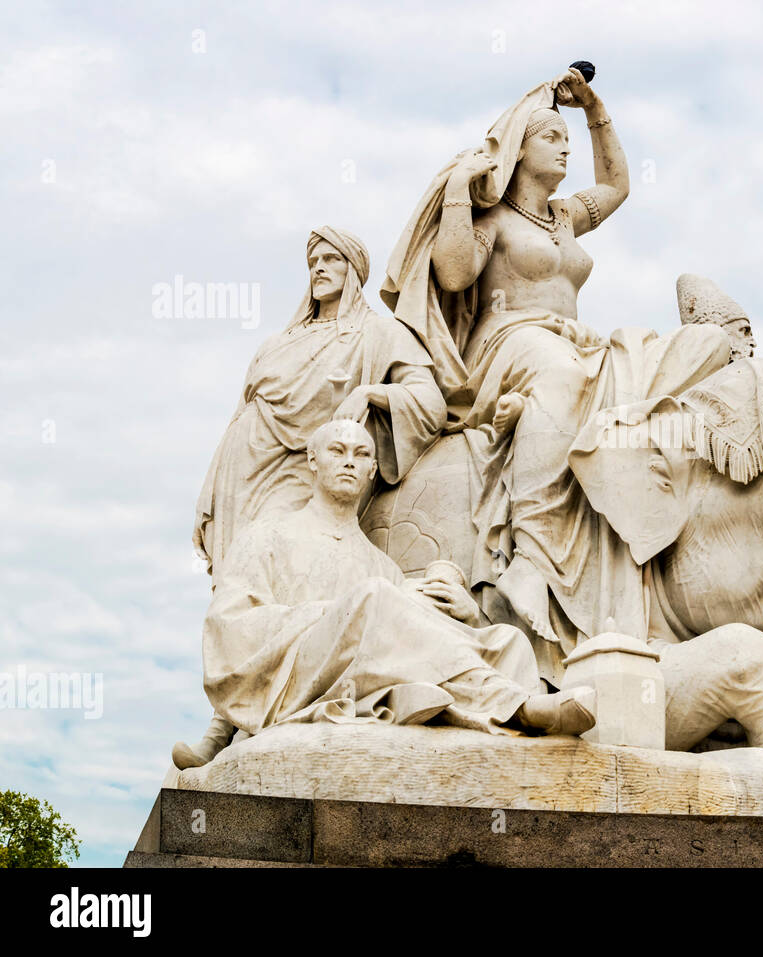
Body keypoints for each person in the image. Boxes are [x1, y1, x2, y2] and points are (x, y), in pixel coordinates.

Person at [382, 69, 732, 665]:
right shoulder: (494, 223)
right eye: (551, 136)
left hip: (574, 342)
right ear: (520, 150)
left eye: (567, 137)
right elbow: (454, 275)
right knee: (563, 377)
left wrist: (594, 106)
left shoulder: (566, 217)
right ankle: (533, 559)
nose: (565, 145)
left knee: (702, 348)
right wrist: (461, 196)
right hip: (509, 345)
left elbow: (618, 185)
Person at [179, 227, 448, 767]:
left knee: (293, 586)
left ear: (354, 270)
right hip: (245, 467)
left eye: (332, 259)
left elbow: (429, 401)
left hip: (310, 473)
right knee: (240, 587)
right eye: (313, 261)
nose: (320, 268)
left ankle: (234, 724)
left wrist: (371, 393)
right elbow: (242, 411)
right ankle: (229, 714)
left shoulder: (376, 334)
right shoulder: (278, 342)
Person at [199, 419, 596, 741]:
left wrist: (467, 617)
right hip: (294, 676)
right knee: (374, 600)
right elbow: (229, 629)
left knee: (507, 642)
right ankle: (514, 706)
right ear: (313, 461)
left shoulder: (381, 566)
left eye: (361, 454)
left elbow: (413, 638)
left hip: (371, 676)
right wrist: (338, 616)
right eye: (337, 451)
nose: (349, 461)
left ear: (372, 469)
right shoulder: (267, 535)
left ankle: (516, 717)